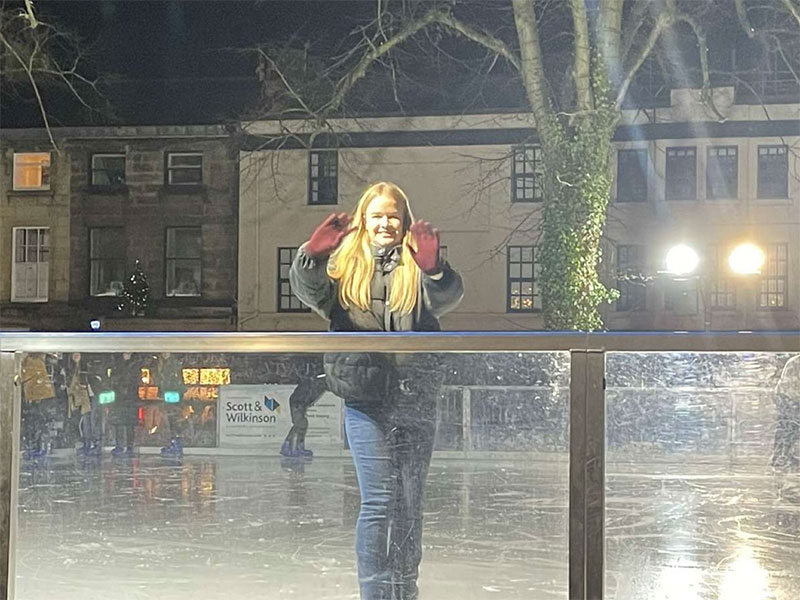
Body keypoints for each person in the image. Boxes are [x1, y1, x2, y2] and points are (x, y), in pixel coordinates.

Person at [290, 181, 463, 600]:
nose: (385, 223)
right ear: (364, 221)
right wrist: (310, 255)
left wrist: (434, 267)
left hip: (416, 398)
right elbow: (309, 290)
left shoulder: (417, 268)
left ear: (403, 222)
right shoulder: (344, 268)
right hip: (365, 401)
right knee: (379, 501)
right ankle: (374, 594)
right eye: (377, 216)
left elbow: (448, 296)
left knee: (408, 504)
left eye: (393, 216)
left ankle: (405, 591)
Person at [279, 375, 328, 458]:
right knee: (300, 423)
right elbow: (305, 394)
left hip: (301, 402)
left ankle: (299, 446)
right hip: (297, 402)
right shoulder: (314, 383)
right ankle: (287, 445)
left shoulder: (317, 384)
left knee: (302, 424)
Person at [771, 354, 800, 471]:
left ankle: (783, 456)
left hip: (790, 398)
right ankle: (781, 457)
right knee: (788, 429)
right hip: (789, 399)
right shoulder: (796, 362)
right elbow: (791, 388)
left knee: (789, 429)